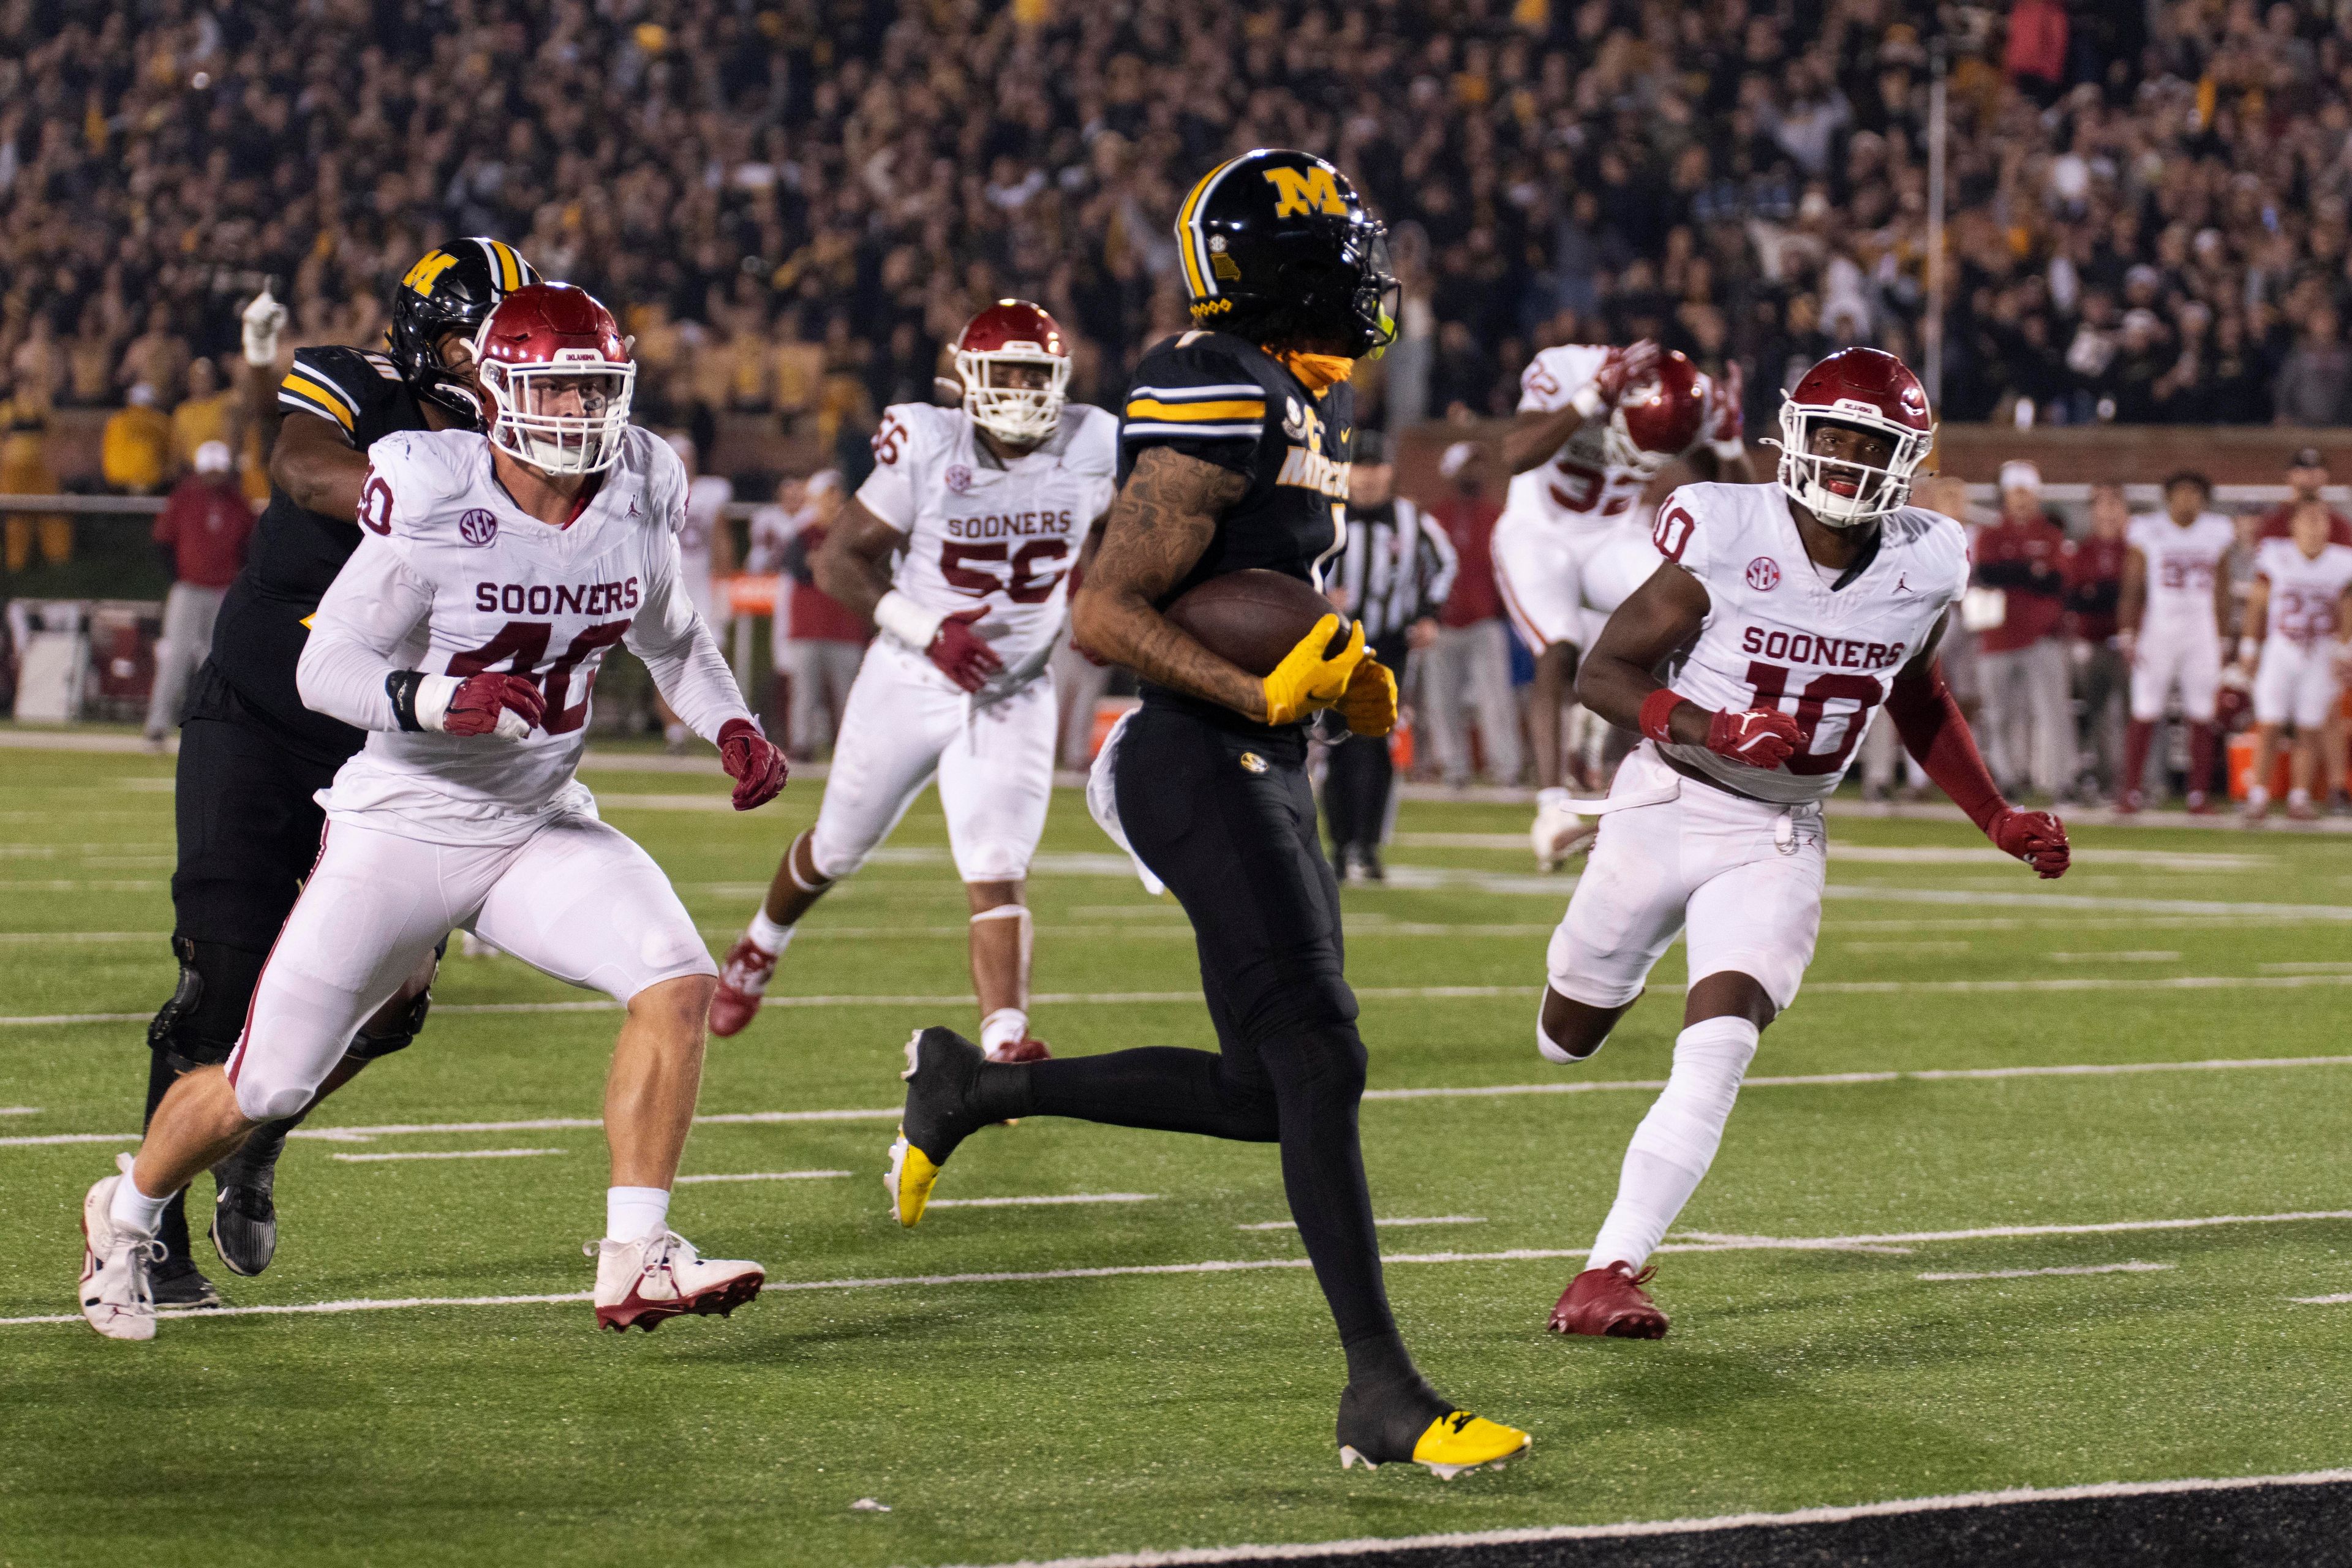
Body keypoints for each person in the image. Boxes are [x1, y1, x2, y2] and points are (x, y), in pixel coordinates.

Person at [880, 151, 1529, 1476]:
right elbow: (1107, 611)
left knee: (1262, 1089)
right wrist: (1262, 685)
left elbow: (1258, 587)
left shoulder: (1294, 393)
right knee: (1319, 1060)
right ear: (1275, 266)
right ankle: (1382, 1392)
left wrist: (1328, 685)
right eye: (1344, 253)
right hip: (1192, 750)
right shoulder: (1214, 380)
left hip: (1256, 753)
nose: (1368, 275)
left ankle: (975, 1086)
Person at [78, 282, 790, 1343]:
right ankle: (124, 1211)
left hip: (538, 820)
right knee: (262, 1081)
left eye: (598, 388)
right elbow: (329, 665)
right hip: (405, 822)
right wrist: (433, 699)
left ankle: (638, 1253)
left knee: (675, 979)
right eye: (558, 390)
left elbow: (673, 634)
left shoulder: (640, 485)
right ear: (496, 395)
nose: (583, 413)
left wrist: (729, 722)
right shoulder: (429, 489)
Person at [1535, 348, 2069, 1340]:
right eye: (1829, 435)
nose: (1844, 457)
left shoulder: (1928, 558)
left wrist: (1994, 814)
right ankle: (1620, 955)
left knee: (1721, 1046)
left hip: (1776, 832)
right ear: (1794, 435)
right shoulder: (1727, 529)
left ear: (1903, 458)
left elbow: (1917, 693)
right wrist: (1711, 724)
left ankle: (1609, 1269)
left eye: (1869, 443)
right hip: (1664, 800)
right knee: (1566, 1038)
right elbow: (1603, 674)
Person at [137, 241, 537, 1309]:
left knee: (394, 1006)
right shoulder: (361, 384)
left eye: (509, 341)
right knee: (219, 988)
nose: (495, 362)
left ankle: (259, 1135)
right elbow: (304, 464)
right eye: (474, 339)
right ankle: (152, 1229)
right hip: (262, 719)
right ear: (426, 337)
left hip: (393, 743)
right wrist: (439, 512)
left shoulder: (542, 438)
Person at [706, 301, 1114, 1058]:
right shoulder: (930, 443)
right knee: (836, 847)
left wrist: (1106, 601)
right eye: (1008, 373)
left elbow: (1117, 538)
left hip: (1012, 687)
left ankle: (1005, 1039)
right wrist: (930, 631)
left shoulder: (1094, 442)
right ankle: (762, 941)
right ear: (970, 378)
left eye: (1037, 375)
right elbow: (837, 561)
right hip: (911, 676)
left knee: (998, 869)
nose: (1024, 390)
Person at [1486, 341, 1752, 868]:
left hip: (1611, 535)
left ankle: (1628, 782)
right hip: (1538, 530)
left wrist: (1728, 442)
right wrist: (1587, 400)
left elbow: (1744, 510)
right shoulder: (1568, 370)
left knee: (1681, 620)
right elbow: (1516, 454)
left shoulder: (1692, 401)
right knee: (1558, 650)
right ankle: (1552, 811)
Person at [1324, 429, 1456, 880]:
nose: (1366, 477)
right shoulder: (1326, 514)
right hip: (1334, 646)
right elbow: (1294, 565)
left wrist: (1429, 615)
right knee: (1339, 745)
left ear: (1388, 471)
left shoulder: (1410, 518)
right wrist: (1319, 598)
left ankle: (1365, 845)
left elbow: (1444, 562)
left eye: (1374, 467)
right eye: (1358, 467)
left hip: (1387, 647)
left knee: (1372, 743)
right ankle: (1343, 846)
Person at [2118, 472, 2235, 813]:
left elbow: (2222, 589)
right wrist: (2128, 630)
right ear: (2168, 498)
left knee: (2202, 711)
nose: (2188, 501)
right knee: (2145, 708)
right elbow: (2133, 585)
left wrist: (2224, 636)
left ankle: (2198, 794)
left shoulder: (2217, 531)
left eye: (2195, 495)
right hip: (2158, 629)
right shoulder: (2148, 530)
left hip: (2201, 632)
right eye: (2182, 494)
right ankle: (2130, 791)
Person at [2237, 500, 2352, 821]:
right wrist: (2249, 647)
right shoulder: (2277, 555)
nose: (2316, 526)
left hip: (2320, 653)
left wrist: (2346, 651)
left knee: (2309, 727)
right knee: (2270, 724)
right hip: (2280, 650)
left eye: (2321, 520)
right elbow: (2257, 602)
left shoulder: (2342, 562)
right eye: (2309, 519)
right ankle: (2258, 795)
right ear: (2294, 526)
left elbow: (2348, 610)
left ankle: (2299, 798)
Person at [1418, 450, 1522, 788]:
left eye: (1478, 466)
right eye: (1468, 467)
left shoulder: (1497, 515)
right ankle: (1452, 766)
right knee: (1441, 700)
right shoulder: (1436, 517)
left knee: (1497, 699)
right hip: (1442, 621)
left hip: (1485, 619)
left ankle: (1505, 768)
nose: (1474, 474)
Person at [1970, 461, 2074, 797]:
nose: (2021, 500)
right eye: (2015, 493)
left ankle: (2061, 782)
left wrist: (2013, 572)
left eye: (2026, 493)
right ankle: (2006, 778)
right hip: (1997, 637)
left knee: (2052, 714)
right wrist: (2030, 572)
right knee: (1999, 715)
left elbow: (2056, 581)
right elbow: (1987, 574)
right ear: (2005, 496)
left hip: (2042, 636)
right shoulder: (1991, 534)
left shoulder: (2050, 534)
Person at [142, 442, 255, 746]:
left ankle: (214, 728)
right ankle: (157, 726)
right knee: (175, 658)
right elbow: (163, 541)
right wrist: (178, 578)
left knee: (217, 661)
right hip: (190, 589)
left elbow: (249, 546)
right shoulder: (185, 497)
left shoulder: (237, 502)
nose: (214, 476)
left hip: (222, 591)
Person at [772, 471, 866, 756]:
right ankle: (802, 746)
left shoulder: (853, 535)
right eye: (829, 496)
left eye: (837, 496)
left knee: (849, 695)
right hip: (809, 626)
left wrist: (825, 565)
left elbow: (859, 573)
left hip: (846, 627)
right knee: (804, 695)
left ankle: (850, 747)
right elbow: (800, 570)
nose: (835, 502)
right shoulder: (802, 535)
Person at [658, 434, 737, 752]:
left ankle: (719, 723)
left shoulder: (709, 493)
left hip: (701, 585)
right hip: (665, 584)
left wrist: (724, 580)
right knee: (664, 658)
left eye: (688, 456)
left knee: (714, 656)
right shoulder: (654, 491)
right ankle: (674, 732)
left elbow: (721, 540)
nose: (685, 463)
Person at [2063, 483, 2132, 799]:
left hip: (2133, 644)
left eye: (2114, 506)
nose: (2108, 514)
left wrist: (2103, 594)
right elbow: (2076, 597)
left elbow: (2135, 595)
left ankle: (2135, 781)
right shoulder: (2083, 550)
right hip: (2093, 642)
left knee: (2137, 714)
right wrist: (2111, 595)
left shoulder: (2136, 548)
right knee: (2097, 714)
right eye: (2101, 508)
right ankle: (2104, 779)